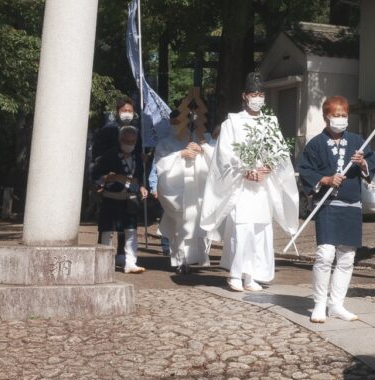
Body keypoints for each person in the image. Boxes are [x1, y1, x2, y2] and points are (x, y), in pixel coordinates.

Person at [202, 73, 298, 292]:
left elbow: (280, 151)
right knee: (241, 228)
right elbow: (224, 154)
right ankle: (235, 274)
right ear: (245, 96)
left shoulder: (270, 122)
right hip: (241, 186)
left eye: (261, 94)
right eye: (254, 94)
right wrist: (244, 171)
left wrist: (270, 166)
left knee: (259, 230)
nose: (258, 98)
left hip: (262, 185)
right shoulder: (232, 122)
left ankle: (251, 275)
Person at [297, 95, 375, 323]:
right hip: (328, 206)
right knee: (325, 254)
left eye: (344, 115)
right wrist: (324, 179)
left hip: (352, 206)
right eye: (336, 115)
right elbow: (305, 170)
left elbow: (372, 165)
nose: (340, 119)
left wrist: (363, 163)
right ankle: (320, 303)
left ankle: (337, 304)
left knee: (347, 257)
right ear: (326, 117)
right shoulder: (315, 144)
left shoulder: (357, 141)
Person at [153, 112, 217, 272]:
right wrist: (179, 154)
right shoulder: (165, 143)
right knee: (181, 225)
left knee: (196, 223)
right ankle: (181, 260)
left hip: (197, 186)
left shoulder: (200, 136)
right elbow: (160, 164)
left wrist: (202, 149)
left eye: (179, 122)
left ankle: (199, 257)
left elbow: (215, 154)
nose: (176, 125)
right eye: (173, 122)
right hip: (176, 188)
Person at [91, 125, 147, 274]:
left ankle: (130, 262)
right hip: (111, 198)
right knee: (107, 230)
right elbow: (96, 175)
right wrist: (109, 178)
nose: (129, 143)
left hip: (130, 199)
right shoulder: (110, 155)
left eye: (132, 141)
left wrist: (142, 187)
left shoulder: (137, 157)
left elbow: (139, 177)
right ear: (120, 140)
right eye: (126, 140)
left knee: (131, 230)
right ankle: (104, 263)